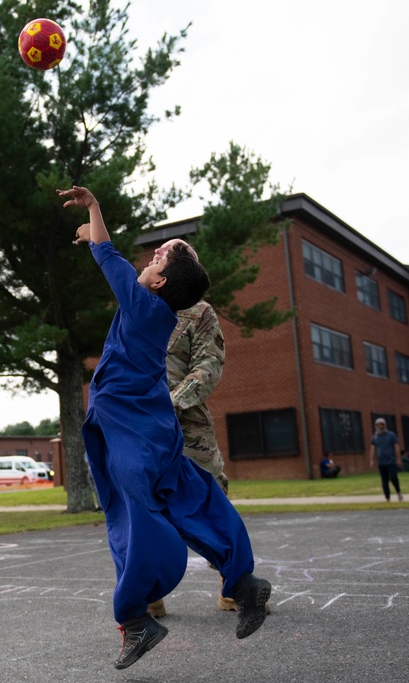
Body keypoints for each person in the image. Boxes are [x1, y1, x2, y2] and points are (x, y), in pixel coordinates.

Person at [60, 185, 270, 671]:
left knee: (132, 515)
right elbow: (108, 250)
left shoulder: (142, 305)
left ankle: (137, 617)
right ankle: (244, 583)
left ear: (156, 283)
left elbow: (107, 255)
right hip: (153, 427)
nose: (151, 258)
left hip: (133, 430)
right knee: (191, 498)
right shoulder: (158, 311)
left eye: (158, 259)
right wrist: (93, 229)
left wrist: (95, 208)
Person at [149, 294, 236, 617]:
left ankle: (233, 584)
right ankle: (149, 591)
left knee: (212, 499)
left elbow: (208, 364)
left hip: (186, 424)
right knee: (147, 507)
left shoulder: (198, 312)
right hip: (142, 426)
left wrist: (170, 403)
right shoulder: (137, 304)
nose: (156, 254)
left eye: (168, 251)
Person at [369, 418, 403, 502]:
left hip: (391, 461)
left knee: (393, 477)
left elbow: (396, 446)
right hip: (381, 462)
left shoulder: (391, 435)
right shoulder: (375, 437)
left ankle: (398, 492)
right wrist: (372, 460)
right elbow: (373, 449)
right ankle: (387, 498)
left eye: (382, 424)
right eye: (378, 425)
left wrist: (398, 459)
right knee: (384, 480)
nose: (380, 426)